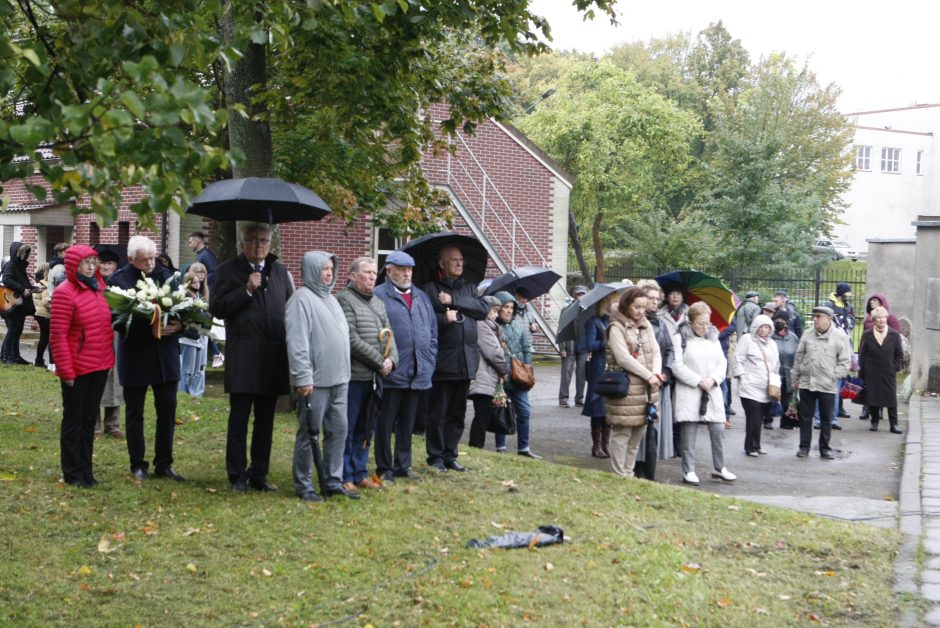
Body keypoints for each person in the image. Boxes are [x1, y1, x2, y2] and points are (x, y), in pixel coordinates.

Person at [210, 225, 293, 493]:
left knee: (266, 419)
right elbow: (218, 308)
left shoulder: (279, 271)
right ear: (242, 243)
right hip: (245, 354)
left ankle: (259, 472)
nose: (259, 245)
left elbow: (289, 307)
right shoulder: (228, 270)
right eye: (253, 240)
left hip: (272, 355)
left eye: (263, 240)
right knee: (240, 418)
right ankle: (237, 475)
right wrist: (246, 290)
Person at [108, 236, 185, 481]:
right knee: (135, 413)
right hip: (136, 356)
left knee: (167, 411)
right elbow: (117, 321)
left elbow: (183, 307)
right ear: (131, 259)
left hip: (166, 357)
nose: (151, 263)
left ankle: (164, 463)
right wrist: (152, 329)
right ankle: (138, 464)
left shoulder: (167, 276)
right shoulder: (118, 281)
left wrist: (180, 325)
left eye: (153, 257)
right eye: (145, 260)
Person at [286, 251, 357, 501]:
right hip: (315, 383)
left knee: (339, 431)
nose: (328, 273)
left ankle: (332, 481)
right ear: (312, 270)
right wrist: (302, 377)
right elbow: (298, 343)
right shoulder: (301, 300)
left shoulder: (332, 299)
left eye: (330, 269)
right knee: (309, 434)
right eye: (323, 269)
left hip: (339, 380)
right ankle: (304, 485)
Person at [49, 246, 115, 487]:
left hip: (99, 365)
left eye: (93, 262)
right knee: (74, 420)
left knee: (89, 421)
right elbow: (58, 336)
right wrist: (66, 371)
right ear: (73, 266)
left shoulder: (99, 290)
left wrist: (108, 361)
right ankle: (73, 473)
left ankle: (86, 470)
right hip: (77, 368)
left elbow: (103, 330)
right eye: (85, 263)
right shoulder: (64, 293)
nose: (90, 267)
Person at [420, 244, 489, 472]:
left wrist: (454, 300)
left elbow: (482, 309)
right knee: (438, 413)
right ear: (442, 263)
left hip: (466, 360)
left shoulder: (468, 288)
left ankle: (451, 454)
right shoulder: (429, 289)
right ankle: (436, 456)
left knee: (458, 413)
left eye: (461, 260)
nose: (460, 264)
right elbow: (423, 323)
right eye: (454, 260)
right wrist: (443, 320)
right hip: (442, 362)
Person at [372, 251, 437, 481]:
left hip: (417, 372)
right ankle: (384, 467)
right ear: (389, 271)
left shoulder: (421, 297)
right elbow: (374, 332)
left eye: (409, 269)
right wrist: (382, 360)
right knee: (385, 422)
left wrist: (429, 360)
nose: (406, 273)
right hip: (391, 372)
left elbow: (432, 333)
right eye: (401, 269)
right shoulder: (378, 295)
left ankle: (403, 465)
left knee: (407, 424)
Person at [337, 257, 398, 494]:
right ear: (352, 276)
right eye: (367, 272)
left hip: (375, 378)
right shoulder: (344, 300)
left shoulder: (378, 302)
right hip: (354, 377)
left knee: (366, 427)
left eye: (374, 272)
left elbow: (390, 334)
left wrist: (392, 360)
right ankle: (344, 474)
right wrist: (378, 361)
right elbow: (351, 339)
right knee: (349, 427)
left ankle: (360, 471)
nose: (373, 276)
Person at [672, 301, 736, 485]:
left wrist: (713, 379)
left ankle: (720, 467)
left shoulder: (713, 338)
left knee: (718, 429)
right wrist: (698, 381)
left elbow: (722, 363)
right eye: (701, 323)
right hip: (690, 389)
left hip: (712, 389)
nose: (705, 327)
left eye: (707, 323)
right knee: (689, 432)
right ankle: (689, 470)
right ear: (691, 321)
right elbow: (677, 365)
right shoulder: (680, 339)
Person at [605, 287, 662, 477]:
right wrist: (649, 375)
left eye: (643, 308)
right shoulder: (616, 327)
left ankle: (629, 472)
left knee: (638, 432)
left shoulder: (646, 325)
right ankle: (619, 473)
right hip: (627, 387)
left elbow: (656, 351)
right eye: (637, 307)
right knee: (623, 433)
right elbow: (623, 358)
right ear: (626, 304)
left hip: (647, 389)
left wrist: (655, 372)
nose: (640, 311)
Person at [791, 306, 852, 460]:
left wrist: (834, 375)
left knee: (826, 419)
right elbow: (798, 358)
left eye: (818, 316)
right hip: (807, 382)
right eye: (814, 316)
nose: (815, 319)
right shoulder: (807, 334)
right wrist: (795, 378)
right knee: (805, 417)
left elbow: (845, 362)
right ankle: (804, 447)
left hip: (827, 385)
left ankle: (825, 448)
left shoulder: (840, 337)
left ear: (829, 318)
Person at [493, 291, 541, 459]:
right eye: (505, 307)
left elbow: (526, 349)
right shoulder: (492, 326)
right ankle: (500, 446)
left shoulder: (519, 326)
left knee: (524, 411)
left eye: (511, 307)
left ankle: (524, 448)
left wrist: (528, 369)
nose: (508, 311)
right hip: (500, 375)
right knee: (502, 410)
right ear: (498, 308)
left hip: (518, 375)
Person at [634, 279, 675, 477]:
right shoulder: (632, 322)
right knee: (636, 428)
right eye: (650, 298)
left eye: (657, 299)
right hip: (638, 381)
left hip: (658, 382)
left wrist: (665, 372)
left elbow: (668, 349)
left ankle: (649, 470)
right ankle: (634, 467)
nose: (654, 303)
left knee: (653, 428)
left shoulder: (661, 324)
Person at [734, 314, 779, 457]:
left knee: (759, 419)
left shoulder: (772, 343)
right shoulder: (747, 339)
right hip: (750, 387)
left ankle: (757, 445)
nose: (764, 330)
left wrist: (775, 381)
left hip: (766, 387)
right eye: (761, 327)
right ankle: (750, 447)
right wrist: (742, 376)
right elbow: (737, 358)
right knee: (753, 417)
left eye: (767, 327)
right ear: (755, 327)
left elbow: (776, 364)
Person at [467, 295, 508, 449]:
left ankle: (477, 446)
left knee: (483, 415)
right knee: (482, 416)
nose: (497, 315)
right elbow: (494, 353)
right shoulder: (482, 325)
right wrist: (504, 370)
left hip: (487, 376)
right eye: (495, 311)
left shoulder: (491, 327)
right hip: (482, 376)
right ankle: (476, 446)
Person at [581, 292, 618, 459]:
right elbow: (589, 344)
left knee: (608, 409)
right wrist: (606, 342)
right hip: (597, 368)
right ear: (606, 303)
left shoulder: (614, 322)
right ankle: (596, 446)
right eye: (613, 303)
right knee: (597, 408)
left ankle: (605, 444)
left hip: (611, 367)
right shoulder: (594, 322)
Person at [858, 306, 904, 434]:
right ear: (874, 320)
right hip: (871, 371)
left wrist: (894, 367)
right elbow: (862, 354)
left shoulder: (894, 334)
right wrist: (862, 371)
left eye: (884, 317)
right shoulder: (867, 334)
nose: (882, 320)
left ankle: (894, 424)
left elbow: (899, 354)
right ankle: (874, 422)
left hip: (888, 372)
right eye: (879, 318)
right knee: (873, 397)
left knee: (891, 399)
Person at [95, 248, 124, 438]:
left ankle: (112, 424)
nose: (106, 266)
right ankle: (94, 424)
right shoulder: (92, 283)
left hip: (117, 335)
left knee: (116, 379)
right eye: (103, 263)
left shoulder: (121, 284)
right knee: (96, 377)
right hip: (96, 335)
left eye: (110, 263)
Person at [1, 242, 36, 365]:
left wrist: (32, 288)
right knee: (13, 330)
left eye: (26, 253)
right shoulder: (11, 265)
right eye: (22, 252)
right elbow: (7, 279)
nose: (25, 255)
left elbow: (20, 281)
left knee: (17, 330)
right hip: (12, 303)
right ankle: (6, 356)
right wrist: (22, 290)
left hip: (20, 304)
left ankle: (15, 356)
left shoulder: (20, 266)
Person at [826, 282, 856, 424]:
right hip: (832, 343)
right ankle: (827, 411)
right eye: (846, 293)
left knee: (843, 374)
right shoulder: (829, 305)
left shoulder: (848, 307)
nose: (848, 296)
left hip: (845, 343)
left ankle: (840, 407)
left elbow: (852, 323)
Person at [178, 266, 210, 398]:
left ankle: (195, 393)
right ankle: (183, 393)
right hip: (188, 337)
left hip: (200, 336)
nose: (198, 284)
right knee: (187, 369)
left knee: (199, 368)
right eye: (195, 282)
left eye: (199, 282)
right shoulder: (184, 296)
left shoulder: (199, 296)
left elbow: (206, 315)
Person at [558, 285, 588, 408]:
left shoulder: (588, 310)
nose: (581, 296)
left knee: (582, 374)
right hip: (569, 345)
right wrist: (561, 348)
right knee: (566, 373)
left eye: (583, 294)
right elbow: (561, 328)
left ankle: (579, 399)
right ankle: (563, 399)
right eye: (579, 294)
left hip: (583, 346)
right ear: (574, 295)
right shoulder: (566, 309)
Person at [770, 309, 800, 429]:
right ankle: (768, 419)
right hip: (774, 373)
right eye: (777, 320)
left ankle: (786, 422)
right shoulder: (770, 335)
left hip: (789, 373)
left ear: (787, 323)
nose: (779, 323)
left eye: (782, 321)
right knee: (771, 397)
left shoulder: (793, 337)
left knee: (787, 400)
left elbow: (798, 355)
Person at [32, 261, 52, 368]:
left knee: (43, 338)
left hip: (40, 313)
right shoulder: (44, 283)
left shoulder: (37, 282)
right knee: (45, 339)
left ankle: (39, 360)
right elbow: (46, 301)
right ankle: (39, 361)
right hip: (45, 314)